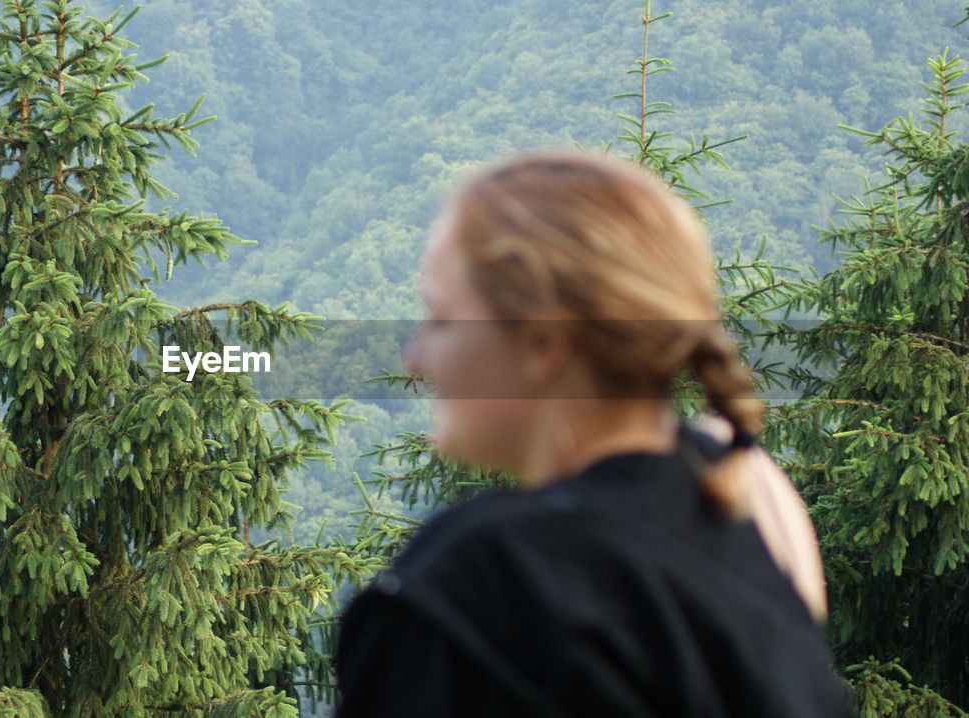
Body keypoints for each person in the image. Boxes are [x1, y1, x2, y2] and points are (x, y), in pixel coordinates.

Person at [333, 149, 854, 717]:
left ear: (542, 342)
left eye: (442, 320)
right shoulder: (744, 511)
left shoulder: (476, 588)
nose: (415, 360)